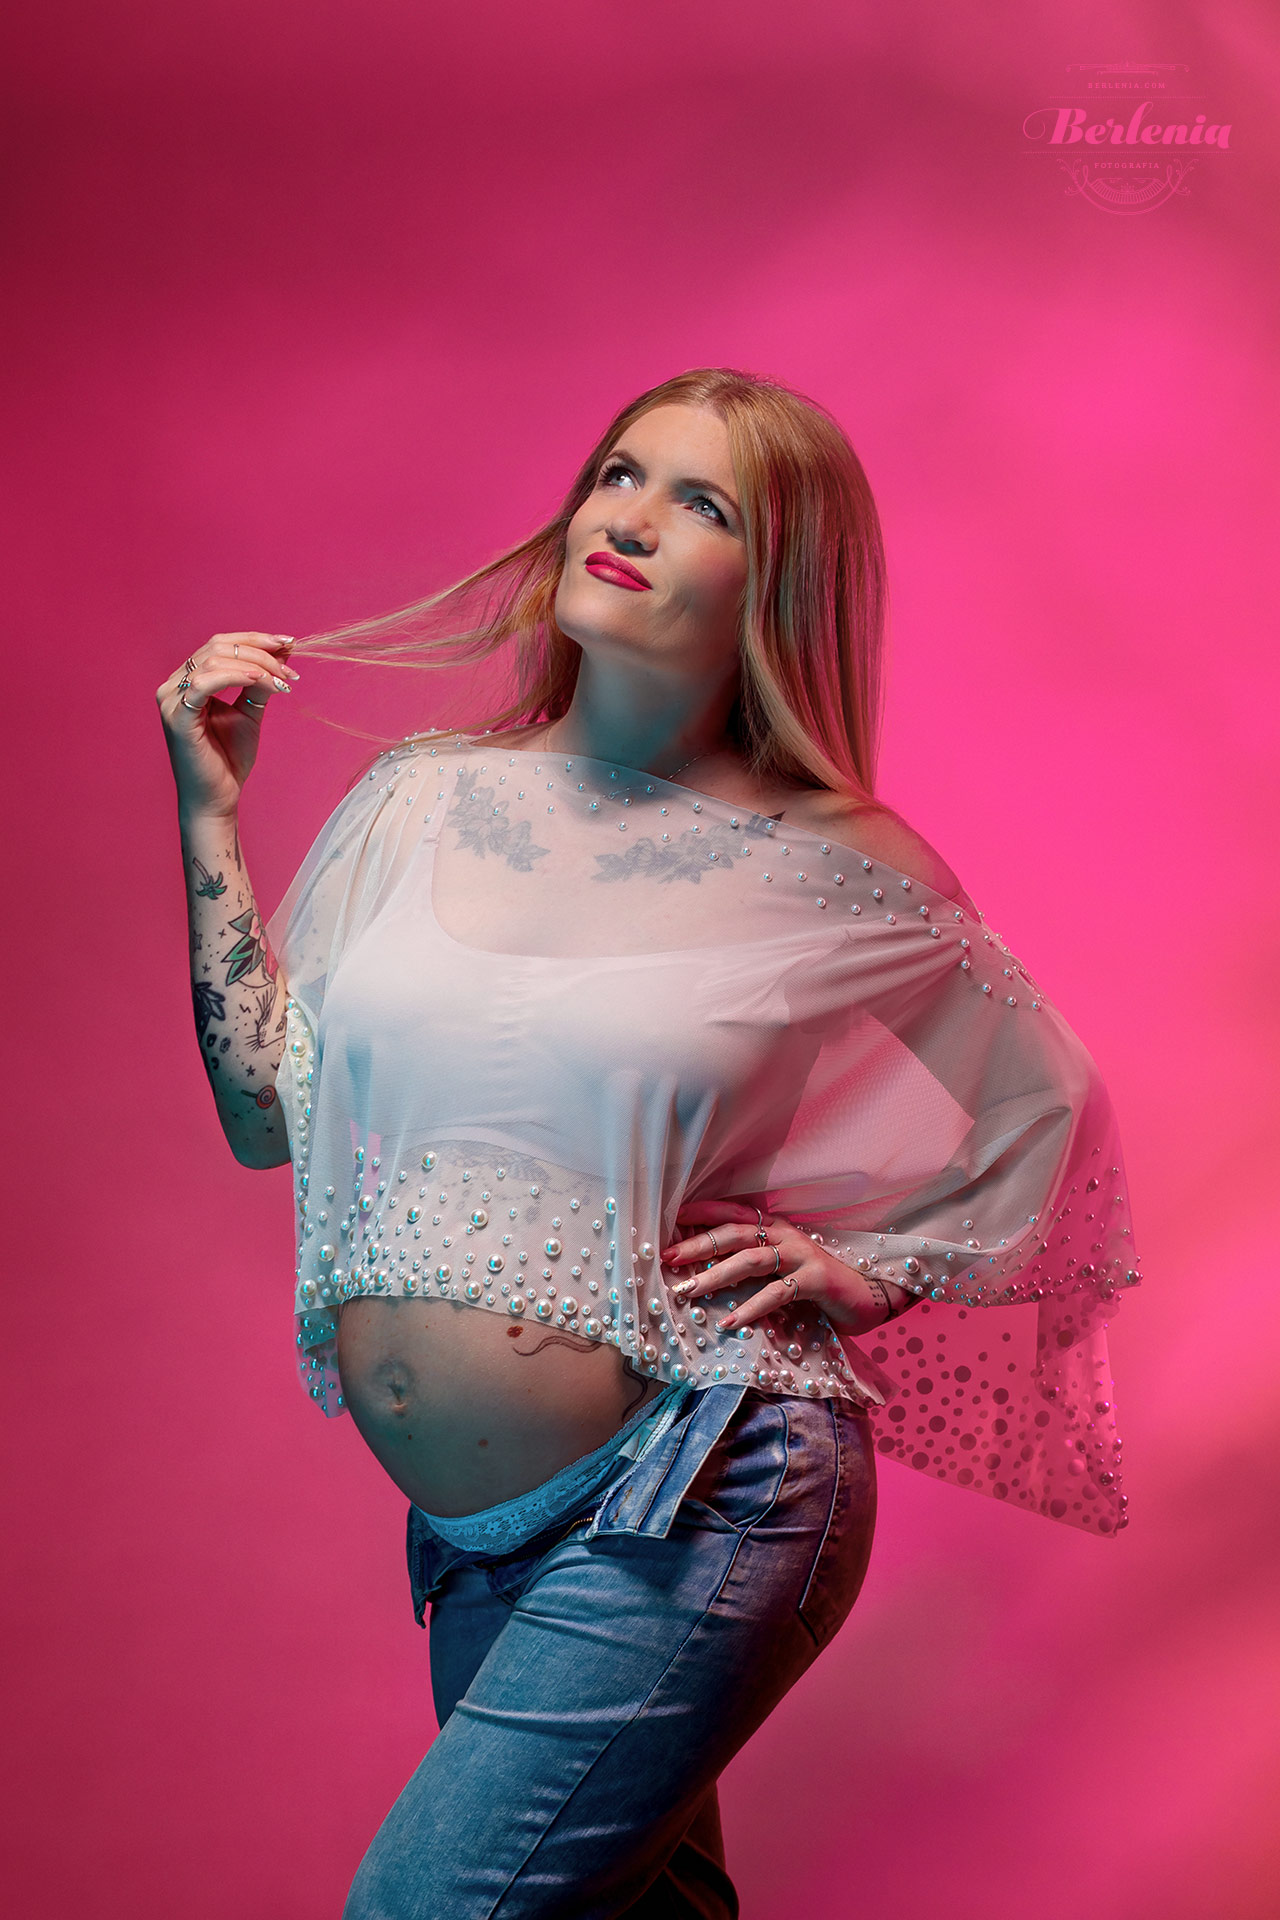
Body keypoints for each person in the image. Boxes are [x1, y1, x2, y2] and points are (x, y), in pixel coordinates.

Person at [156, 367, 1141, 1918]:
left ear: (778, 581)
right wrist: (210, 819)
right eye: (619, 475)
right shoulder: (419, 799)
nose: (630, 519)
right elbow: (263, 1113)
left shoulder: (833, 859)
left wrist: (872, 1270)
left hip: (701, 1484)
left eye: (703, 504)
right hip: (476, 1538)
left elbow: (1050, 1110)